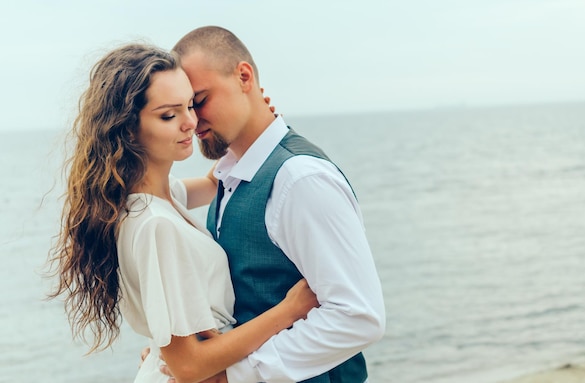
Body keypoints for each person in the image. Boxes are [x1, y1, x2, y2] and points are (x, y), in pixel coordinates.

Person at [47, 43, 319, 383]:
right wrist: (290, 309)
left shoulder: (158, 198)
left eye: (191, 105)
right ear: (127, 128)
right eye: (168, 115)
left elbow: (215, 180)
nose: (190, 122)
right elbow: (188, 366)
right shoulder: (155, 225)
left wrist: (254, 117)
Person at [163, 26, 386, 383]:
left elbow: (358, 316)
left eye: (200, 100)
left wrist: (233, 376)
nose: (191, 120)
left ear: (244, 77)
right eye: (183, 107)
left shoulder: (300, 179)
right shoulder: (232, 175)